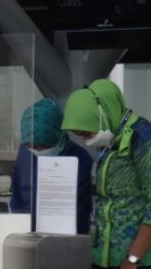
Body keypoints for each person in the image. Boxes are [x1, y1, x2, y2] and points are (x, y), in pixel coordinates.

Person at [62, 79, 151, 269]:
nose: (86, 140)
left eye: (87, 133)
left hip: (141, 264)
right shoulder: (111, 141)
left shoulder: (147, 139)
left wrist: (132, 261)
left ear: (104, 115)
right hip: (105, 260)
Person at [10, 98, 92, 235]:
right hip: (27, 235)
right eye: (31, 146)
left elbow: (79, 216)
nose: (37, 151)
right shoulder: (25, 153)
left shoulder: (81, 161)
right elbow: (17, 197)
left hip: (66, 240)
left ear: (59, 137)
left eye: (43, 146)